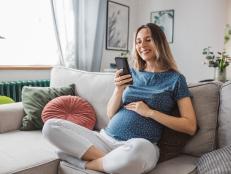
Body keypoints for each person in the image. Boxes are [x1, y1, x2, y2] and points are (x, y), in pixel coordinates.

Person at [42, 23, 197, 174]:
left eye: (148, 39)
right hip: (105, 139)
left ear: (160, 42)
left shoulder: (176, 79)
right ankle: (111, 161)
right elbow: (110, 113)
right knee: (50, 126)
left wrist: (150, 112)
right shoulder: (131, 74)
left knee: (139, 152)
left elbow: (190, 126)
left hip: (139, 145)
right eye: (138, 41)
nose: (142, 45)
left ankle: (85, 163)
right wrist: (118, 89)